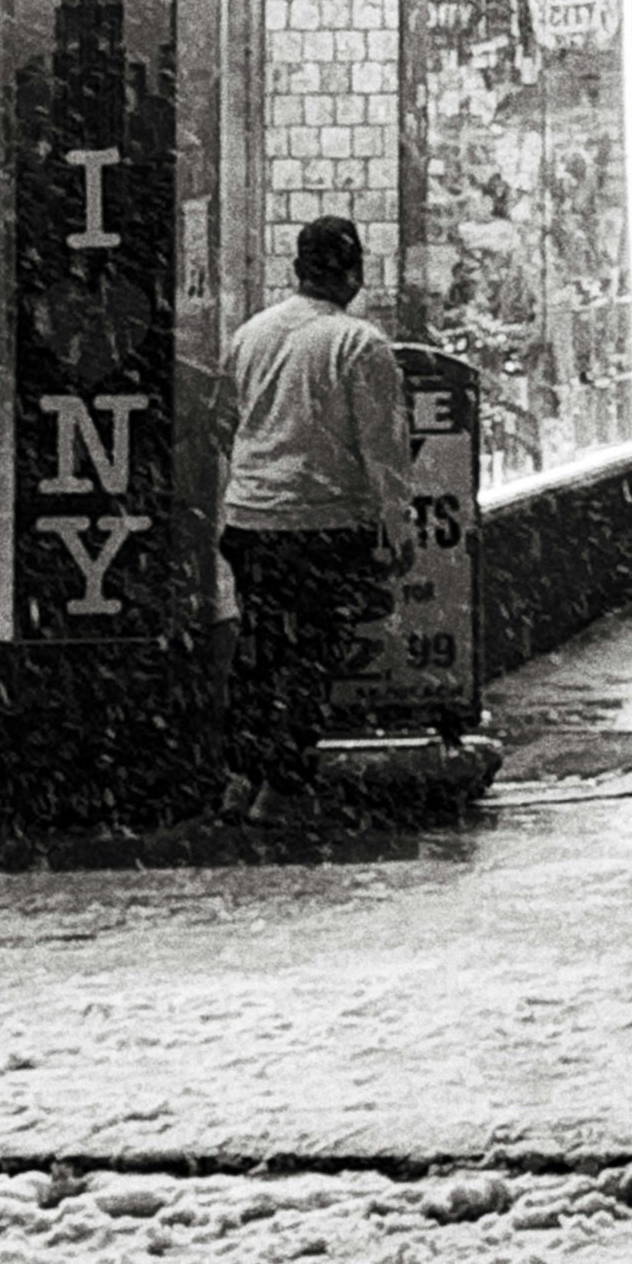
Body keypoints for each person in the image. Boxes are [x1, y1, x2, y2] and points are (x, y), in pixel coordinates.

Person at [211, 212, 419, 820]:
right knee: (311, 657)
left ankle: (238, 777)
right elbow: (383, 448)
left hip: (251, 523)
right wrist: (398, 525)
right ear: (354, 274)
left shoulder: (251, 334)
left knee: (258, 649)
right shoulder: (360, 344)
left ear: (297, 269)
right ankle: (283, 788)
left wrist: (263, 474)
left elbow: (222, 423)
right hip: (323, 527)